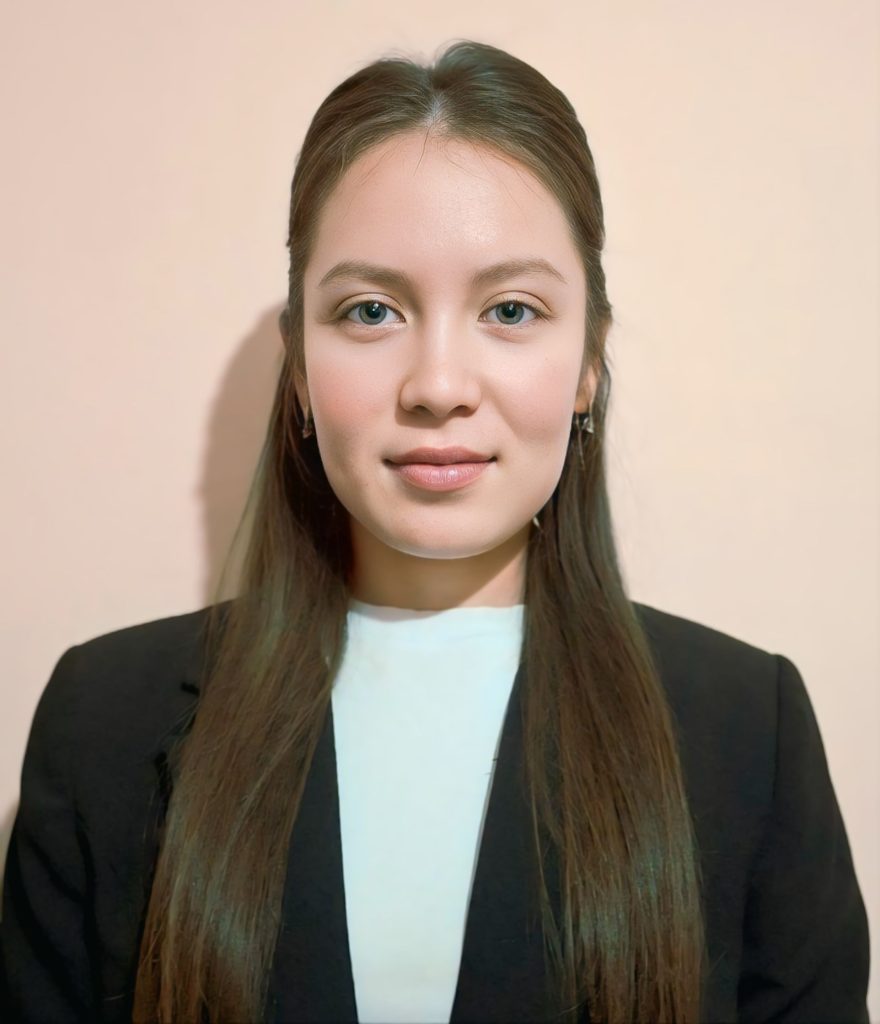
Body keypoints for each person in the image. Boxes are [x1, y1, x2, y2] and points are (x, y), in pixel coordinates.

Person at [0, 39, 870, 1024]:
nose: (439, 385)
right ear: (299, 368)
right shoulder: (101, 725)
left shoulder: (749, 734)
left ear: (588, 362)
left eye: (511, 309)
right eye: (371, 310)